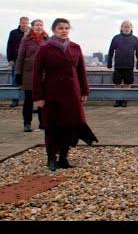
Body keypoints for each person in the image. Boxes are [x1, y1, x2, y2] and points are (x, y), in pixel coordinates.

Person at [33, 18, 98, 171]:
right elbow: (36, 74)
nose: (64, 30)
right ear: (54, 30)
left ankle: (63, 158)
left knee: (69, 126)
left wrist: (84, 91)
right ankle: (51, 158)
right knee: (52, 127)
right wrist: (38, 96)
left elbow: (81, 71)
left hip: (72, 93)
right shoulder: (45, 48)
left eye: (66, 28)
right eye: (60, 28)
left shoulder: (75, 48)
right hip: (52, 93)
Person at [15, 19, 49, 132]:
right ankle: (27, 123)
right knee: (28, 100)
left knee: (42, 100)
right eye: (37, 25)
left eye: (41, 25)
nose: (39, 27)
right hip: (28, 74)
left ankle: (43, 123)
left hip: (43, 74)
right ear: (32, 27)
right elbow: (20, 58)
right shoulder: (26, 40)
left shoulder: (47, 40)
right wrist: (18, 74)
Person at [106, 20, 138, 108]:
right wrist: (109, 64)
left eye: (128, 27)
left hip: (129, 65)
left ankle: (124, 100)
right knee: (117, 83)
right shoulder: (116, 38)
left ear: (131, 28)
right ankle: (117, 100)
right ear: (121, 28)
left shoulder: (135, 38)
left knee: (128, 83)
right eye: (124, 26)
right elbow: (110, 51)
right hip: (118, 65)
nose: (126, 28)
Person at [6, 16, 30, 107]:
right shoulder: (13, 33)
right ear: (20, 23)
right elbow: (9, 46)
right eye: (23, 23)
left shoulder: (30, 33)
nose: (25, 25)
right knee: (15, 80)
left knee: (27, 80)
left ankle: (26, 100)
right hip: (16, 60)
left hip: (27, 61)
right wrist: (10, 59)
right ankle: (14, 100)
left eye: (26, 23)